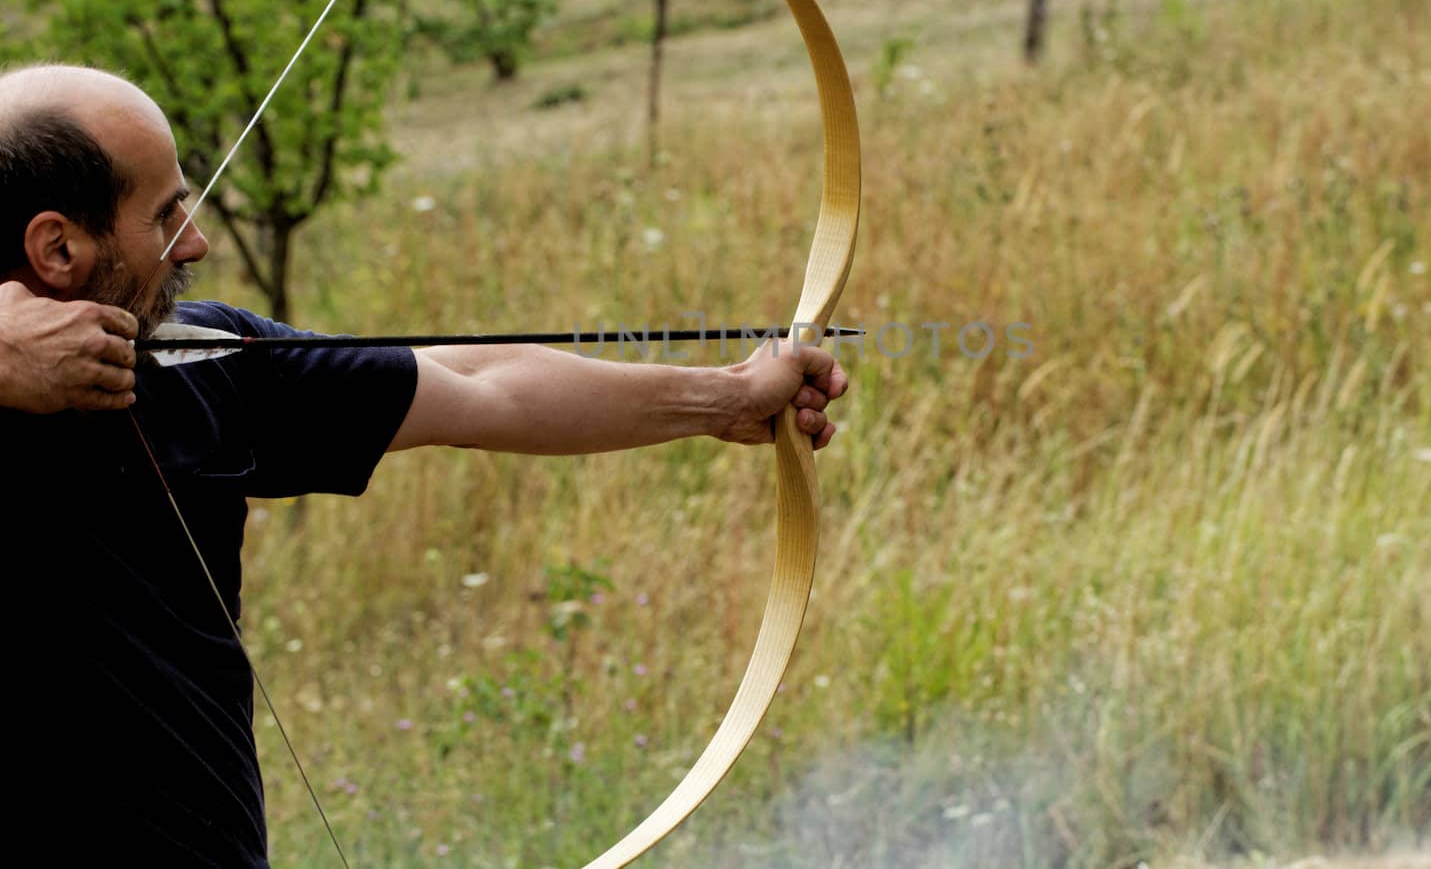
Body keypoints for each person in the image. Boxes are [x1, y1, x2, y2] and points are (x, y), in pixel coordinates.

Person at [1, 64, 848, 865]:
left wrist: (730, 397)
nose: (196, 242)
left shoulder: (197, 360)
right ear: (57, 249)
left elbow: (482, 384)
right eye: (163, 215)